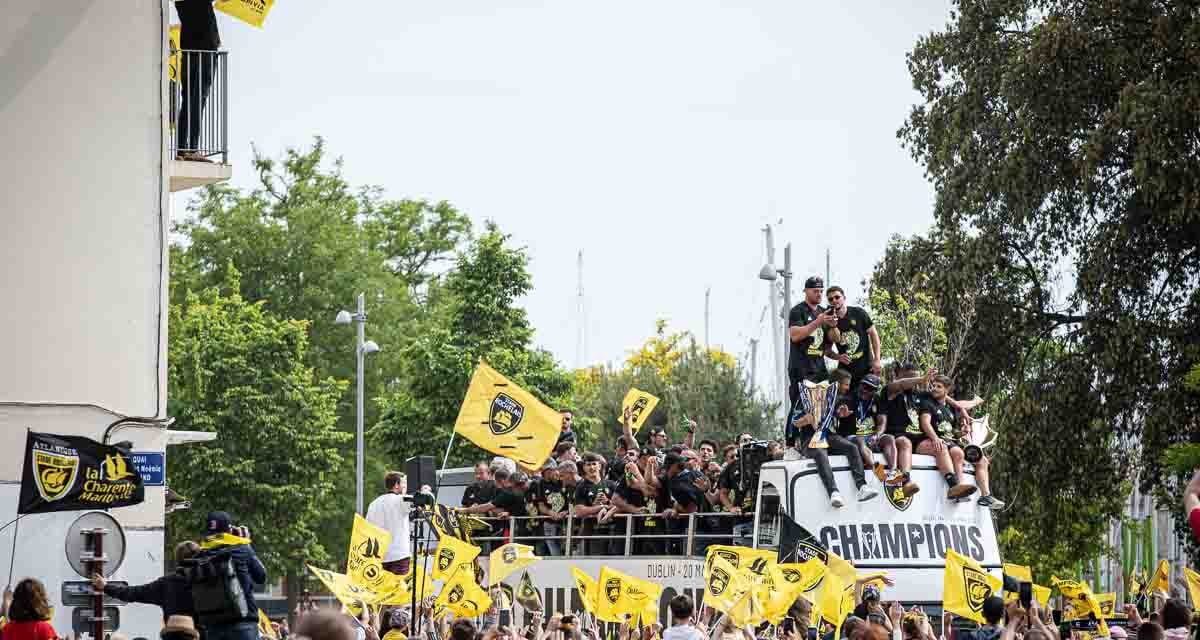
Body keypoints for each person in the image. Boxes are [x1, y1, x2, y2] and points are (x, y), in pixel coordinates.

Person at [792, 369, 879, 507]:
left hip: (830, 436)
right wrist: (806, 420)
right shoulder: (808, 395)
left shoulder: (838, 398)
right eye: (846, 385)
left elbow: (833, 414)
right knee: (821, 452)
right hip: (810, 439)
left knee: (852, 446)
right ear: (836, 383)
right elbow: (794, 421)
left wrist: (840, 414)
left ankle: (863, 486)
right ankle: (833, 492)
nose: (848, 388)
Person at [192, 512, 267, 640]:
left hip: (213, 627)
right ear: (229, 529)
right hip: (244, 623)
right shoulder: (242, 549)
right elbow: (261, 577)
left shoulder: (200, 556)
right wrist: (246, 543)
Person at [786, 276, 841, 445]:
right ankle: (790, 442)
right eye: (815, 291)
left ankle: (818, 437)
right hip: (800, 367)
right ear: (806, 291)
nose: (818, 294)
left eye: (820, 291)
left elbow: (834, 340)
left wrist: (833, 324)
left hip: (819, 367)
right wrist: (818, 322)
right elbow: (795, 335)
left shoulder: (823, 312)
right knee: (799, 405)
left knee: (821, 405)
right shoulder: (798, 311)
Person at [91, 541, 200, 621]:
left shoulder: (168, 583)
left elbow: (134, 593)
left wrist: (106, 586)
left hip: (175, 634)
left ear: (178, 559)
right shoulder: (210, 577)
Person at [915, 376, 978, 501]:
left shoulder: (949, 410)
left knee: (958, 452)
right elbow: (925, 422)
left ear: (947, 390)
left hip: (947, 441)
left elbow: (951, 433)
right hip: (925, 441)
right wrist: (935, 438)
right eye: (934, 385)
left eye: (939, 386)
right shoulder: (927, 402)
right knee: (941, 447)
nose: (935, 388)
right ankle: (953, 486)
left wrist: (962, 432)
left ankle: (961, 488)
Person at [174, 0, 221, 161]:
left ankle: (182, 150)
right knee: (197, 100)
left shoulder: (181, 2)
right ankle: (192, 149)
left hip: (189, 53)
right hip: (204, 53)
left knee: (188, 101)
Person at [366, 472, 414, 575]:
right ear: (396, 485)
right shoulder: (402, 500)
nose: (405, 486)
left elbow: (368, 528)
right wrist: (425, 491)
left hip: (380, 556)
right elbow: (421, 502)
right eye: (404, 483)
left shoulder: (373, 504)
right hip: (399, 555)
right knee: (398, 589)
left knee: (382, 589)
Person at [575, 453, 617, 555]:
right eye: (588, 465)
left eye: (594, 464)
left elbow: (620, 505)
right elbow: (579, 511)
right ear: (584, 467)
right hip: (592, 532)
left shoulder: (611, 484)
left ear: (600, 465)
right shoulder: (581, 487)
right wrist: (598, 506)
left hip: (613, 531)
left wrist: (607, 501)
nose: (591, 467)